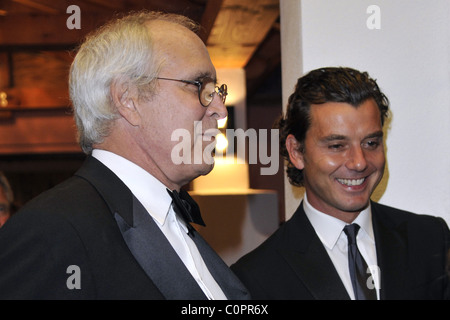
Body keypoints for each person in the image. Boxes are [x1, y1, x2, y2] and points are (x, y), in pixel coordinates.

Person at [0, 11, 249, 300]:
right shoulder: (51, 231)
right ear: (128, 100)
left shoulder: (172, 219)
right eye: (199, 86)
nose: (220, 109)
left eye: (216, 90)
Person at [231, 67, 450, 300]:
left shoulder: (431, 239)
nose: (359, 162)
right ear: (296, 152)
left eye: (371, 143)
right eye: (337, 146)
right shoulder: (255, 278)